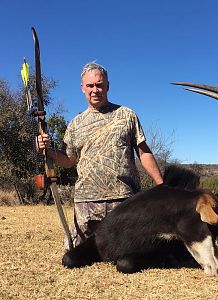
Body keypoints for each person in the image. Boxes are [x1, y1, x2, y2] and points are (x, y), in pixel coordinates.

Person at [37, 62, 163, 249]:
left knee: (130, 252)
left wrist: (162, 185)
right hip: (86, 203)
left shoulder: (126, 115)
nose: (95, 90)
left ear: (107, 86)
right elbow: (68, 161)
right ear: (82, 88)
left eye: (99, 85)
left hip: (123, 200)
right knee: (74, 249)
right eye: (90, 85)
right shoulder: (75, 124)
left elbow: (144, 153)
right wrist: (47, 150)